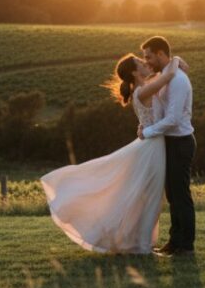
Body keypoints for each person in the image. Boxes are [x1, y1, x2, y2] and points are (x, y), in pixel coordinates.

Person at [40, 51, 188, 254]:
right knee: (150, 196)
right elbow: (168, 75)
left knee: (146, 196)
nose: (145, 62)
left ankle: (139, 243)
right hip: (152, 148)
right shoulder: (143, 90)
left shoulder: (142, 88)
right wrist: (177, 59)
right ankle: (141, 245)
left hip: (152, 144)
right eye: (139, 61)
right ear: (135, 73)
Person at [138, 36, 196, 257]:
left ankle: (186, 246)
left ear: (161, 54)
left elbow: (172, 119)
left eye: (149, 56)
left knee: (181, 195)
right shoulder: (165, 75)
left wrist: (148, 133)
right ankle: (175, 242)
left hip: (181, 143)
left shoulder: (179, 80)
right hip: (169, 142)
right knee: (172, 195)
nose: (147, 61)